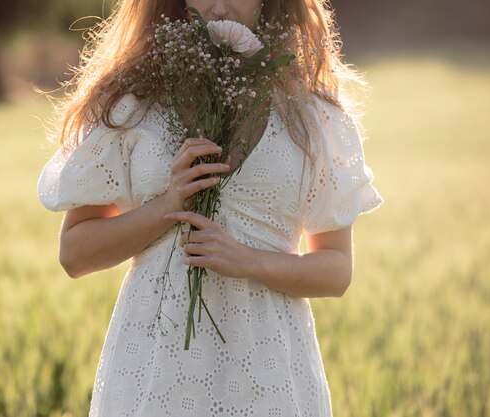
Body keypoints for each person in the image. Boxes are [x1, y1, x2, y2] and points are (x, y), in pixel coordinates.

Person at [36, 0, 384, 416]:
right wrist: (168, 203)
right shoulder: (132, 105)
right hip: (155, 370)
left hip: (268, 373)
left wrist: (247, 260)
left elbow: (336, 271)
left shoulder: (312, 116)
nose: (219, 6)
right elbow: (75, 255)